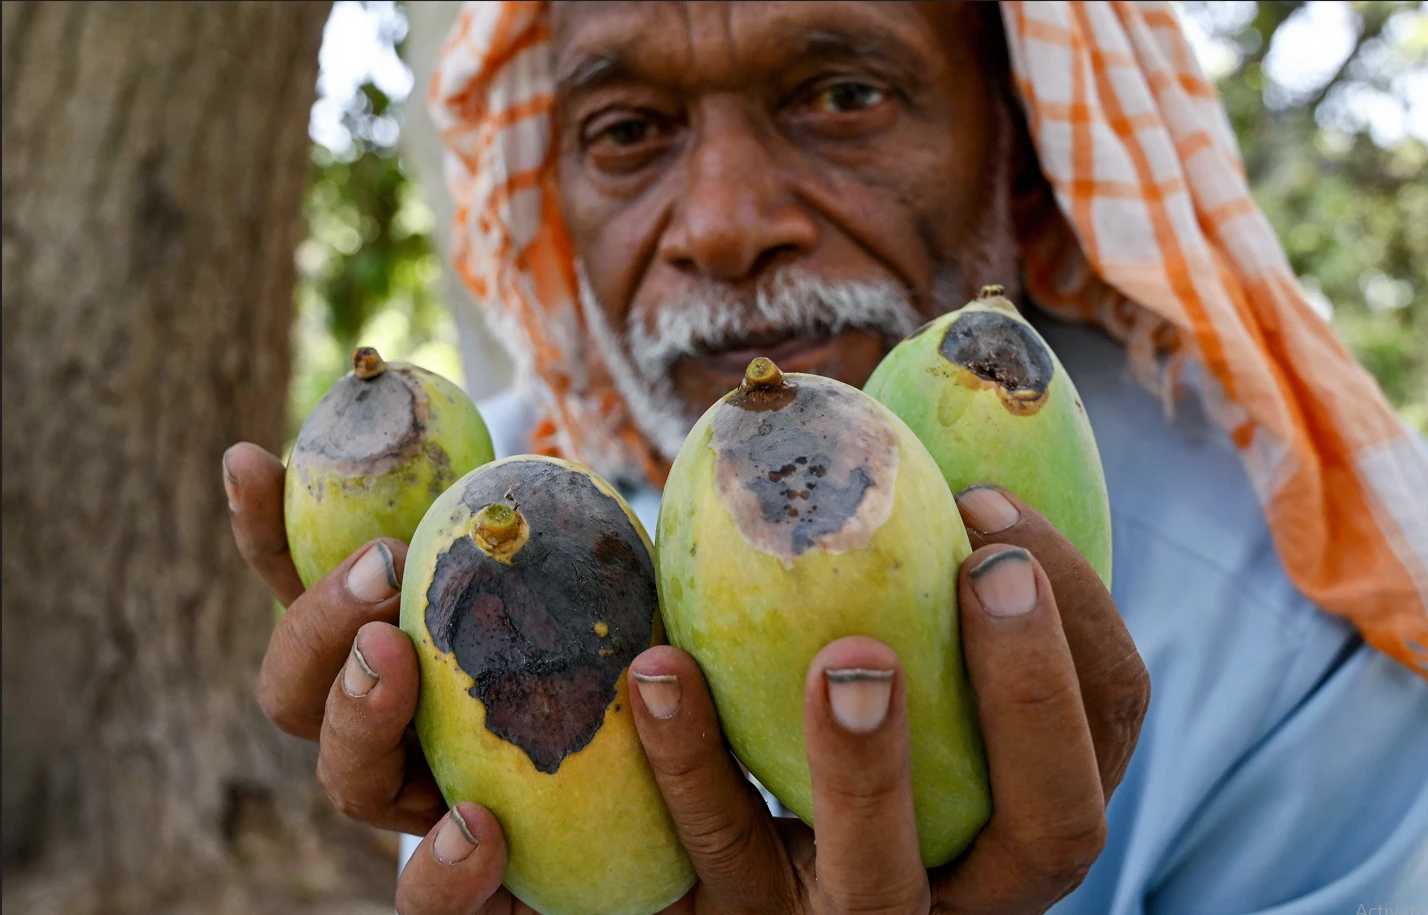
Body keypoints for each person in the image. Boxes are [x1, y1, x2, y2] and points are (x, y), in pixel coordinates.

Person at [222, 2, 1428, 912]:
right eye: (631, 130)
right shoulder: (498, 518)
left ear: (1012, 130)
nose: (726, 224)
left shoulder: (1301, 618)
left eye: (844, 95)